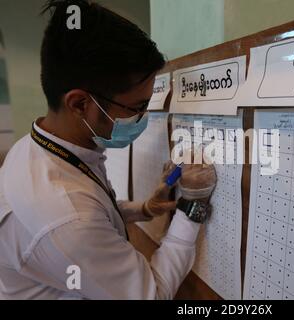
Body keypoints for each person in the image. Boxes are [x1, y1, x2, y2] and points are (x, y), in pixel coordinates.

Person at [0, 0, 216, 300]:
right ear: (79, 104)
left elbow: (91, 207)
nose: (142, 118)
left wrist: (142, 209)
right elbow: (151, 294)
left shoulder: (38, 147)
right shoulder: (66, 218)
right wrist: (193, 206)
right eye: (137, 108)